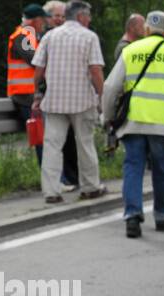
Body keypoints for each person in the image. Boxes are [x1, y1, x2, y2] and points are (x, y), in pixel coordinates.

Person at [103, 11, 164, 237]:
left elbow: (111, 87)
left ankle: (132, 216)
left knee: (133, 167)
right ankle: (162, 216)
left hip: (133, 122)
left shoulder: (130, 50)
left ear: (147, 29)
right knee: (162, 170)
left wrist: (109, 117)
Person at [33, 0, 107, 204]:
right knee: (85, 143)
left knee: (52, 146)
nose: (90, 20)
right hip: (82, 101)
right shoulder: (89, 37)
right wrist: (102, 96)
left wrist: (37, 94)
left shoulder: (50, 36)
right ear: (81, 16)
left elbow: (38, 70)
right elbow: (95, 71)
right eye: (89, 16)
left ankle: (51, 192)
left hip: (54, 101)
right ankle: (90, 187)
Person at [42, 0, 80, 189]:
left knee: (69, 142)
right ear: (47, 17)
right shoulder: (36, 35)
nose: (60, 19)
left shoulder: (68, 36)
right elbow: (36, 64)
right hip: (47, 97)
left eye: (63, 16)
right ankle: (58, 182)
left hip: (65, 96)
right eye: (56, 16)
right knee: (55, 144)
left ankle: (71, 178)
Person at [9, 4, 47, 165]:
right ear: (36, 20)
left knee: (44, 137)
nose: (44, 23)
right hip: (25, 96)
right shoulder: (23, 36)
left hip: (31, 95)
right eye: (42, 20)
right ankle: (49, 177)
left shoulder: (30, 35)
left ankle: (52, 177)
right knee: (41, 137)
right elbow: (35, 60)